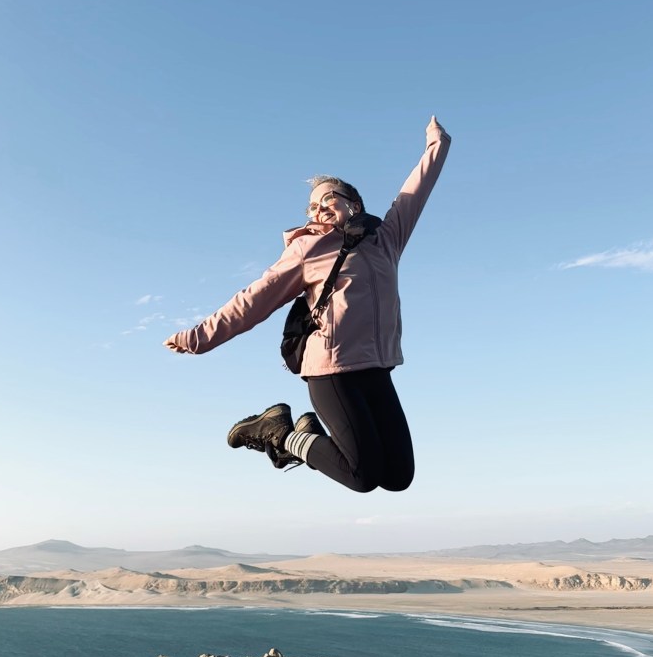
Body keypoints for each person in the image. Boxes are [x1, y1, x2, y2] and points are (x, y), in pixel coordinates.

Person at [164, 115, 451, 492]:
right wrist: (200, 337)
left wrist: (437, 143)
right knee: (362, 476)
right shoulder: (307, 249)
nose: (319, 210)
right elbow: (254, 299)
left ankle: (301, 433)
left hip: (377, 369)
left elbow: (417, 190)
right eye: (312, 208)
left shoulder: (387, 239)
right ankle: (278, 434)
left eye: (328, 199)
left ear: (354, 203)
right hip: (331, 371)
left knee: (398, 477)